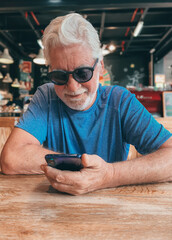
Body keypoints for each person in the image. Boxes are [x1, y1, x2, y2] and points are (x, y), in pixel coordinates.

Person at [0, 13, 172, 195]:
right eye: (59, 76)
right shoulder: (46, 96)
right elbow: (11, 158)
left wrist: (108, 175)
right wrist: (79, 166)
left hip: (113, 210)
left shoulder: (120, 101)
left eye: (82, 73)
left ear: (100, 67)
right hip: (52, 210)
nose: (73, 87)